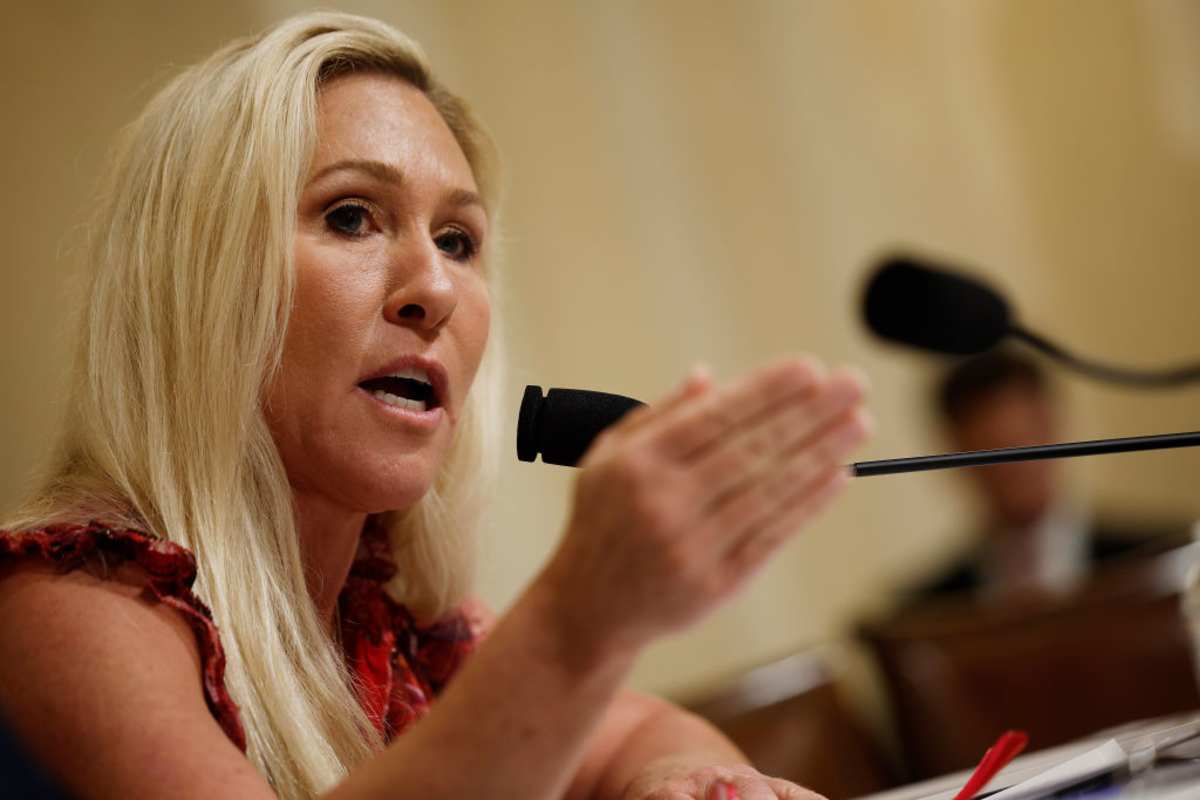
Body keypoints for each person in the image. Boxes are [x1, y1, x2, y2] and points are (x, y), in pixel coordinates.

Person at [0, 12, 871, 800]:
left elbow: (643, 730)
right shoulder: (68, 607)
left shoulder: (392, 621)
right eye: (351, 216)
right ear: (194, 280)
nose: (434, 289)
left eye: (457, 240)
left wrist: (676, 779)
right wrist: (578, 618)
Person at [907, 349, 1179, 606]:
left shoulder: (1162, 562)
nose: (1013, 470)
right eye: (990, 448)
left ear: (1052, 426)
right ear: (952, 450)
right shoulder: (928, 610)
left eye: (1021, 441)